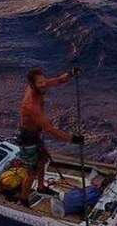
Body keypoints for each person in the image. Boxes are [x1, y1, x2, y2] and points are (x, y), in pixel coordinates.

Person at [18, 67, 84, 206]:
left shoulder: (40, 85)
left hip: (37, 133)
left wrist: (70, 73)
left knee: (42, 160)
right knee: (32, 172)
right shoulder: (31, 105)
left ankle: (41, 188)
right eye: (40, 83)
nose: (44, 84)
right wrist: (73, 139)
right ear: (32, 84)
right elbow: (50, 129)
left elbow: (59, 80)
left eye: (43, 81)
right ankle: (23, 200)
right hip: (28, 139)